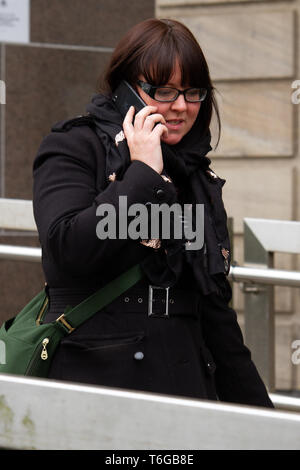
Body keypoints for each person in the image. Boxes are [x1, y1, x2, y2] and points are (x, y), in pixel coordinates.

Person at [32, 18, 274, 408]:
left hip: (184, 389)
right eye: (163, 90)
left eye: (193, 92)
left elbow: (214, 313)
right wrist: (142, 173)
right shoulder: (75, 146)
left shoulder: (196, 175)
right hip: (97, 386)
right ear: (126, 90)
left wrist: (266, 423)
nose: (180, 106)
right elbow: (67, 251)